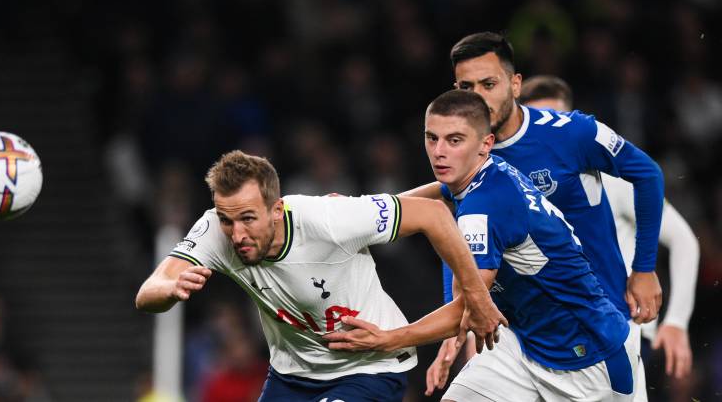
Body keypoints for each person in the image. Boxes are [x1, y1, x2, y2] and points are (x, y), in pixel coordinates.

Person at [325, 89, 639, 401]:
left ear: (485, 144)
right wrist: (363, 209)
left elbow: (470, 307)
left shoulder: (484, 208)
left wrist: (388, 339)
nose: (439, 151)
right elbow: (437, 194)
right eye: (432, 138)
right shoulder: (480, 173)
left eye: (454, 140)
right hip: (524, 344)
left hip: (588, 358)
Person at [135, 150, 505, 402]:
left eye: (248, 218)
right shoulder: (216, 230)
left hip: (370, 367)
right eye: (227, 219)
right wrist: (170, 288)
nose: (237, 234)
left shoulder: (329, 219)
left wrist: (478, 296)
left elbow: (433, 214)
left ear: (276, 209)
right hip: (292, 376)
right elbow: (148, 293)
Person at [417, 32, 665, 395]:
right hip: (518, 332)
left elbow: (648, 175)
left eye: (489, 83)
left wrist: (643, 269)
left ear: (515, 84)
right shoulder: (465, 154)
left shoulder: (572, 133)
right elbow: (458, 237)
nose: (479, 97)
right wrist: (457, 328)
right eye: (468, 86)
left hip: (596, 323)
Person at [520, 74, 699, 386]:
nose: (545, 126)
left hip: (622, 327)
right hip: (547, 336)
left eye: (554, 117)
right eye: (535, 118)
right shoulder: (514, 188)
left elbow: (684, 239)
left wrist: (677, 321)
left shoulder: (611, 179)